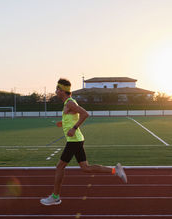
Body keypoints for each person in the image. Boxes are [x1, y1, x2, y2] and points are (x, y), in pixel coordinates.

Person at [40, 78, 127, 206]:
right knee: (85, 168)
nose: (56, 91)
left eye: (57, 89)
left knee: (60, 166)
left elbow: (85, 114)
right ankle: (115, 170)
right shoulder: (68, 103)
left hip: (74, 140)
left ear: (62, 90)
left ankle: (55, 196)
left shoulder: (70, 103)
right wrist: (63, 123)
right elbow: (74, 116)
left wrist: (74, 128)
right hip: (76, 140)